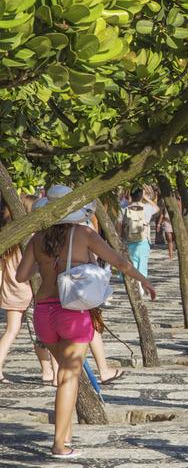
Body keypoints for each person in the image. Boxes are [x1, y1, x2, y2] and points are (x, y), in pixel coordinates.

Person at [17, 185, 155, 458]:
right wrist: (144, 281)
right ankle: (59, 444)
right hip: (72, 313)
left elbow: (21, 276)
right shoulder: (84, 234)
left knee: (65, 373)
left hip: (44, 312)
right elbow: (119, 262)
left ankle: (65, 435)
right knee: (70, 376)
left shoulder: (38, 238)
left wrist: (45, 264)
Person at [0, 198, 34, 383]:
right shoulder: (30, 237)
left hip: (10, 289)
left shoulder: (7, 237)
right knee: (42, 335)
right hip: (29, 289)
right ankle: (51, 372)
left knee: (11, 331)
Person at [118, 188, 159, 278]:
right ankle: (141, 288)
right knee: (142, 266)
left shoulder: (125, 208)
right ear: (141, 196)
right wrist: (147, 198)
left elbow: (120, 222)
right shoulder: (147, 207)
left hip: (128, 240)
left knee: (131, 265)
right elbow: (157, 208)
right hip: (143, 240)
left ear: (131, 196)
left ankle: (133, 287)